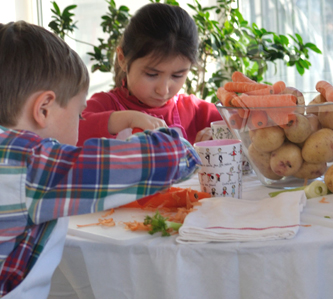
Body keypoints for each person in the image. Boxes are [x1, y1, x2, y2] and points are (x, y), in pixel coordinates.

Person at [0, 21, 200, 298]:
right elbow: (170, 155)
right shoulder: (29, 167)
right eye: (79, 113)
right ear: (43, 109)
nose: (80, 121)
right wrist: (173, 139)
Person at [79, 3, 223, 145]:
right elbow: (71, 130)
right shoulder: (105, 105)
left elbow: (240, 123)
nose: (163, 90)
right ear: (122, 59)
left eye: (177, 76)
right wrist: (127, 119)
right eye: (152, 74)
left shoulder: (195, 111)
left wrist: (221, 133)